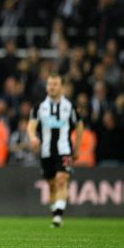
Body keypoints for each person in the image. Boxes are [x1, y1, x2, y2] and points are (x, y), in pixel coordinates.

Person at [27, 74, 83, 228]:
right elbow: (31, 125)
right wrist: (32, 137)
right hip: (46, 151)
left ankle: (58, 216)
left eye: (55, 84)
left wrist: (77, 148)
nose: (52, 87)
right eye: (50, 84)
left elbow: (79, 126)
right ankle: (56, 211)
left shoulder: (70, 106)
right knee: (51, 184)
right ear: (46, 87)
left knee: (61, 179)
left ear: (61, 87)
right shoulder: (39, 107)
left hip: (64, 149)